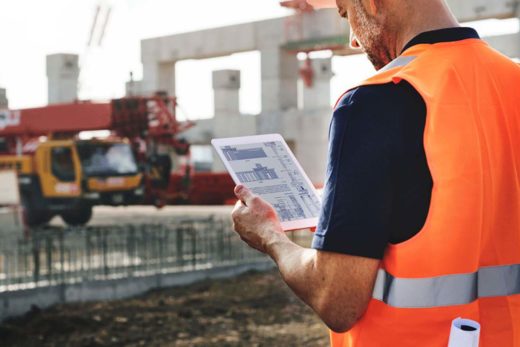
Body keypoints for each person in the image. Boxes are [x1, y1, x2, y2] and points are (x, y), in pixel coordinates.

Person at [231, 0, 520, 346]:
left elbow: (336, 299)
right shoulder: (512, 81)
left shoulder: (374, 102)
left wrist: (269, 235)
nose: (353, 39)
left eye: (346, 13)